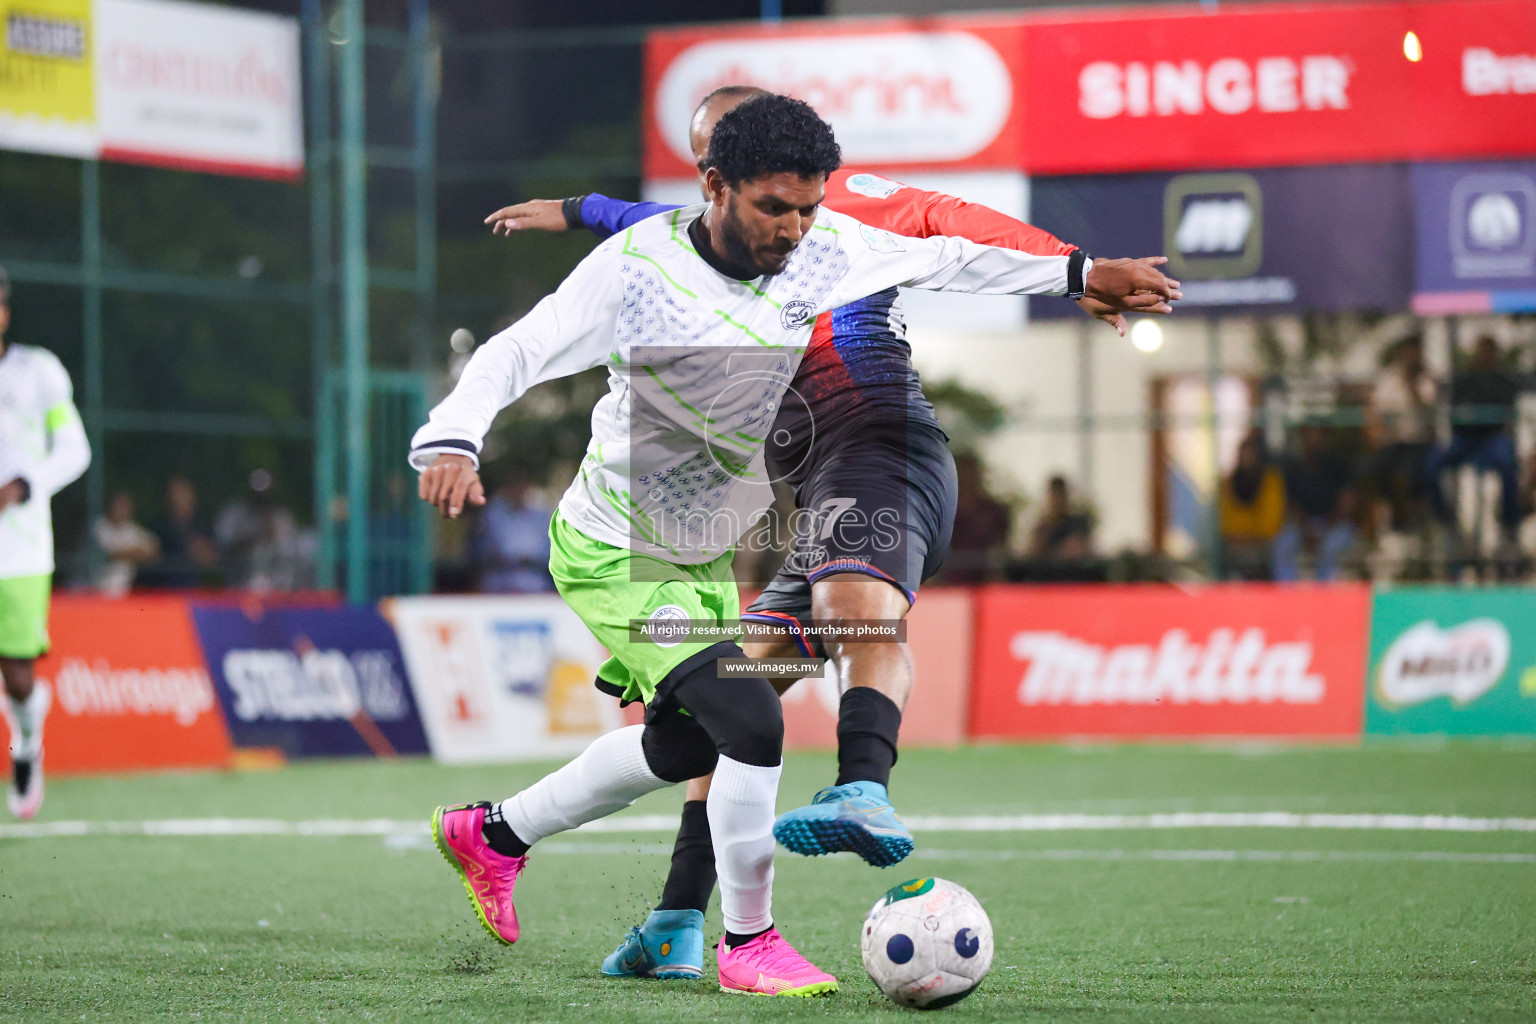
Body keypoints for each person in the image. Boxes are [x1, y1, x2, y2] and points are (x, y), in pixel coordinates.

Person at [412, 94, 1175, 995]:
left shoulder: (825, 248)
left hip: (696, 552)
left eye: (809, 207)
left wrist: (1081, 271)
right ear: (713, 187)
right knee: (753, 720)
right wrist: (450, 439)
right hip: (614, 549)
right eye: (775, 207)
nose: (795, 228)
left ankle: (493, 834)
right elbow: (514, 352)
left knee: (685, 744)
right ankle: (748, 944)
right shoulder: (636, 271)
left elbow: (946, 252)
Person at [0, 264, 91, 819]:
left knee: (16, 673)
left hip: (20, 552)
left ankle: (27, 743)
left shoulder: (37, 372)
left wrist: (25, 485)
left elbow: (75, 450)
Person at [1427, 335, 1523, 546]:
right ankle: (1445, 519)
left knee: (1508, 465)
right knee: (1432, 464)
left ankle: (1509, 524)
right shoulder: (1463, 381)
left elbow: (1508, 416)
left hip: (1492, 438)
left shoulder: (1503, 382)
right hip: (1465, 438)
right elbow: (1453, 412)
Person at [1366, 336, 1436, 535]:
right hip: (1393, 441)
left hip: (1419, 442)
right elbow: (1375, 409)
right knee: (1368, 472)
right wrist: (1376, 432)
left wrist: (1411, 384)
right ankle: (1377, 525)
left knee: (1403, 475)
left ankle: (1405, 520)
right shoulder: (1388, 378)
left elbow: (1425, 408)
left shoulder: (1426, 379)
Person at [1272, 425, 1357, 581]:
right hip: (1304, 526)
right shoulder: (1295, 469)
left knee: (1331, 545)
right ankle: (1285, 593)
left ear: (1326, 439)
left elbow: (1346, 505)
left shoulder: (1339, 467)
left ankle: (1324, 594)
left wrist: (1324, 532)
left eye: (1318, 437)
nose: (1313, 442)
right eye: (1309, 438)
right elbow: (1292, 506)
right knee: (1283, 542)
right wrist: (1306, 531)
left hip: (1335, 525)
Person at [1219, 432, 1286, 580]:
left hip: (1264, 547)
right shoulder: (1228, 483)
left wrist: (1256, 538)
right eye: (1243, 453)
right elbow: (1226, 521)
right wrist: (1239, 537)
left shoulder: (1270, 481)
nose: (1246, 459)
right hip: (1234, 545)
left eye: (1251, 454)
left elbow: (1271, 523)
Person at [474, 475, 554, 593]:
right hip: (498, 581)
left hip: (533, 580)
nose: (518, 491)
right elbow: (480, 551)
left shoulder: (540, 517)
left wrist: (528, 560)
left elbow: (549, 554)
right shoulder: (493, 515)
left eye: (522, 487)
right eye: (514, 487)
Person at [941, 453, 1012, 584]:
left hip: (986, 581)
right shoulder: (943, 510)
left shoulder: (993, 511)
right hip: (948, 582)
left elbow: (1002, 546)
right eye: (964, 472)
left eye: (972, 472)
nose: (969, 477)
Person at [146, 476, 218, 588]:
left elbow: (214, 559)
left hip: (198, 589)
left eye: (183, 493)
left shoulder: (203, 525)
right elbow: (153, 558)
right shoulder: (160, 528)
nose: (178, 498)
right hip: (166, 590)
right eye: (174, 493)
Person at [92, 491, 160, 597]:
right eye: (119, 505)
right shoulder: (99, 527)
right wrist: (136, 553)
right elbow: (112, 554)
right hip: (96, 590)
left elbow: (153, 549)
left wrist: (128, 553)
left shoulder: (131, 529)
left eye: (125, 506)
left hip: (123, 591)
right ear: (110, 506)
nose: (122, 510)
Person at [1028, 475, 1095, 562]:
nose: (1057, 501)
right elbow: (1033, 553)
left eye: (1060, 495)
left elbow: (1078, 549)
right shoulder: (1042, 527)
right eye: (1054, 495)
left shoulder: (1076, 524)